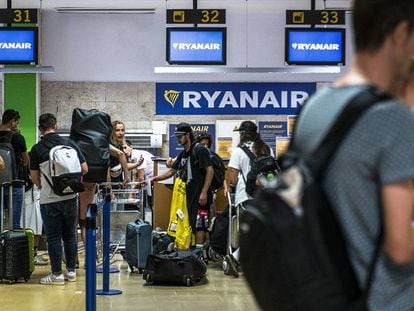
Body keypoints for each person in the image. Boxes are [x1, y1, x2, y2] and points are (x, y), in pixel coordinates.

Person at [292, 0, 414, 309]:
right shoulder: (393, 118)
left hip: (326, 294)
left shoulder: (314, 107)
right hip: (382, 300)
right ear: (400, 34)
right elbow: (400, 248)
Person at [30, 113, 88, 285]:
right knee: (70, 235)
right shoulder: (70, 145)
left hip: (50, 199)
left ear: (40, 128)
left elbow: (34, 178)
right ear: (55, 126)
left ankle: (56, 275)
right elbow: (84, 169)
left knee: (54, 237)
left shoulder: (37, 149)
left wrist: (45, 186)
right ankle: (71, 271)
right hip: (71, 196)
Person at [151, 123, 214, 249]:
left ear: (187, 135)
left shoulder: (200, 149)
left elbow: (210, 170)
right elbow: (172, 171)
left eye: (180, 137)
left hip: (200, 193)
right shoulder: (184, 153)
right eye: (177, 137)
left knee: (200, 223)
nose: (179, 140)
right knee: (190, 222)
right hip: (189, 193)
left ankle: (199, 252)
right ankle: (191, 250)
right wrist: (154, 179)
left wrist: (204, 192)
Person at [226, 121, 272, 277]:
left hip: (245, 196)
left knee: (245, 231)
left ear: (243, 134)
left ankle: (235, 257)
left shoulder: (238, 152)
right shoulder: (267, 149)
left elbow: (232, 179)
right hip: (265, 197)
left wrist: (230, 187)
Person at [0, 109, 29, 229]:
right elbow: (26, 161)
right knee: (14, 223)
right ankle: (13, 246)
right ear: (12, 122)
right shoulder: (18, 138)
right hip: (14, 184)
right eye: (16, 122)